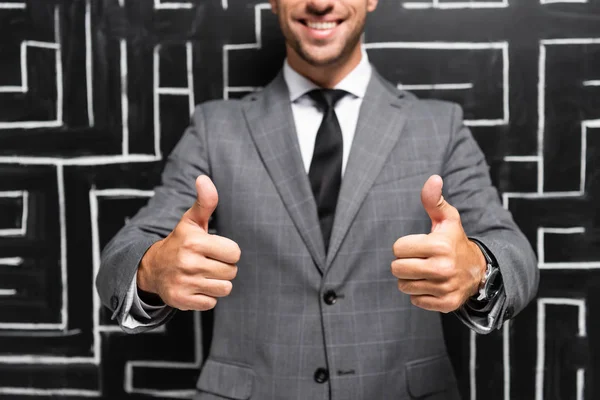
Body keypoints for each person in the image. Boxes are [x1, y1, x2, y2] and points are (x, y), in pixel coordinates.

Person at [96, 0, 539, 398]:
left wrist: (478, 269)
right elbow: (125, 253)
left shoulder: (438, 126)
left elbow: (512, 249)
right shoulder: (216, 127)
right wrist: (153, 268)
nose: (321, 3)